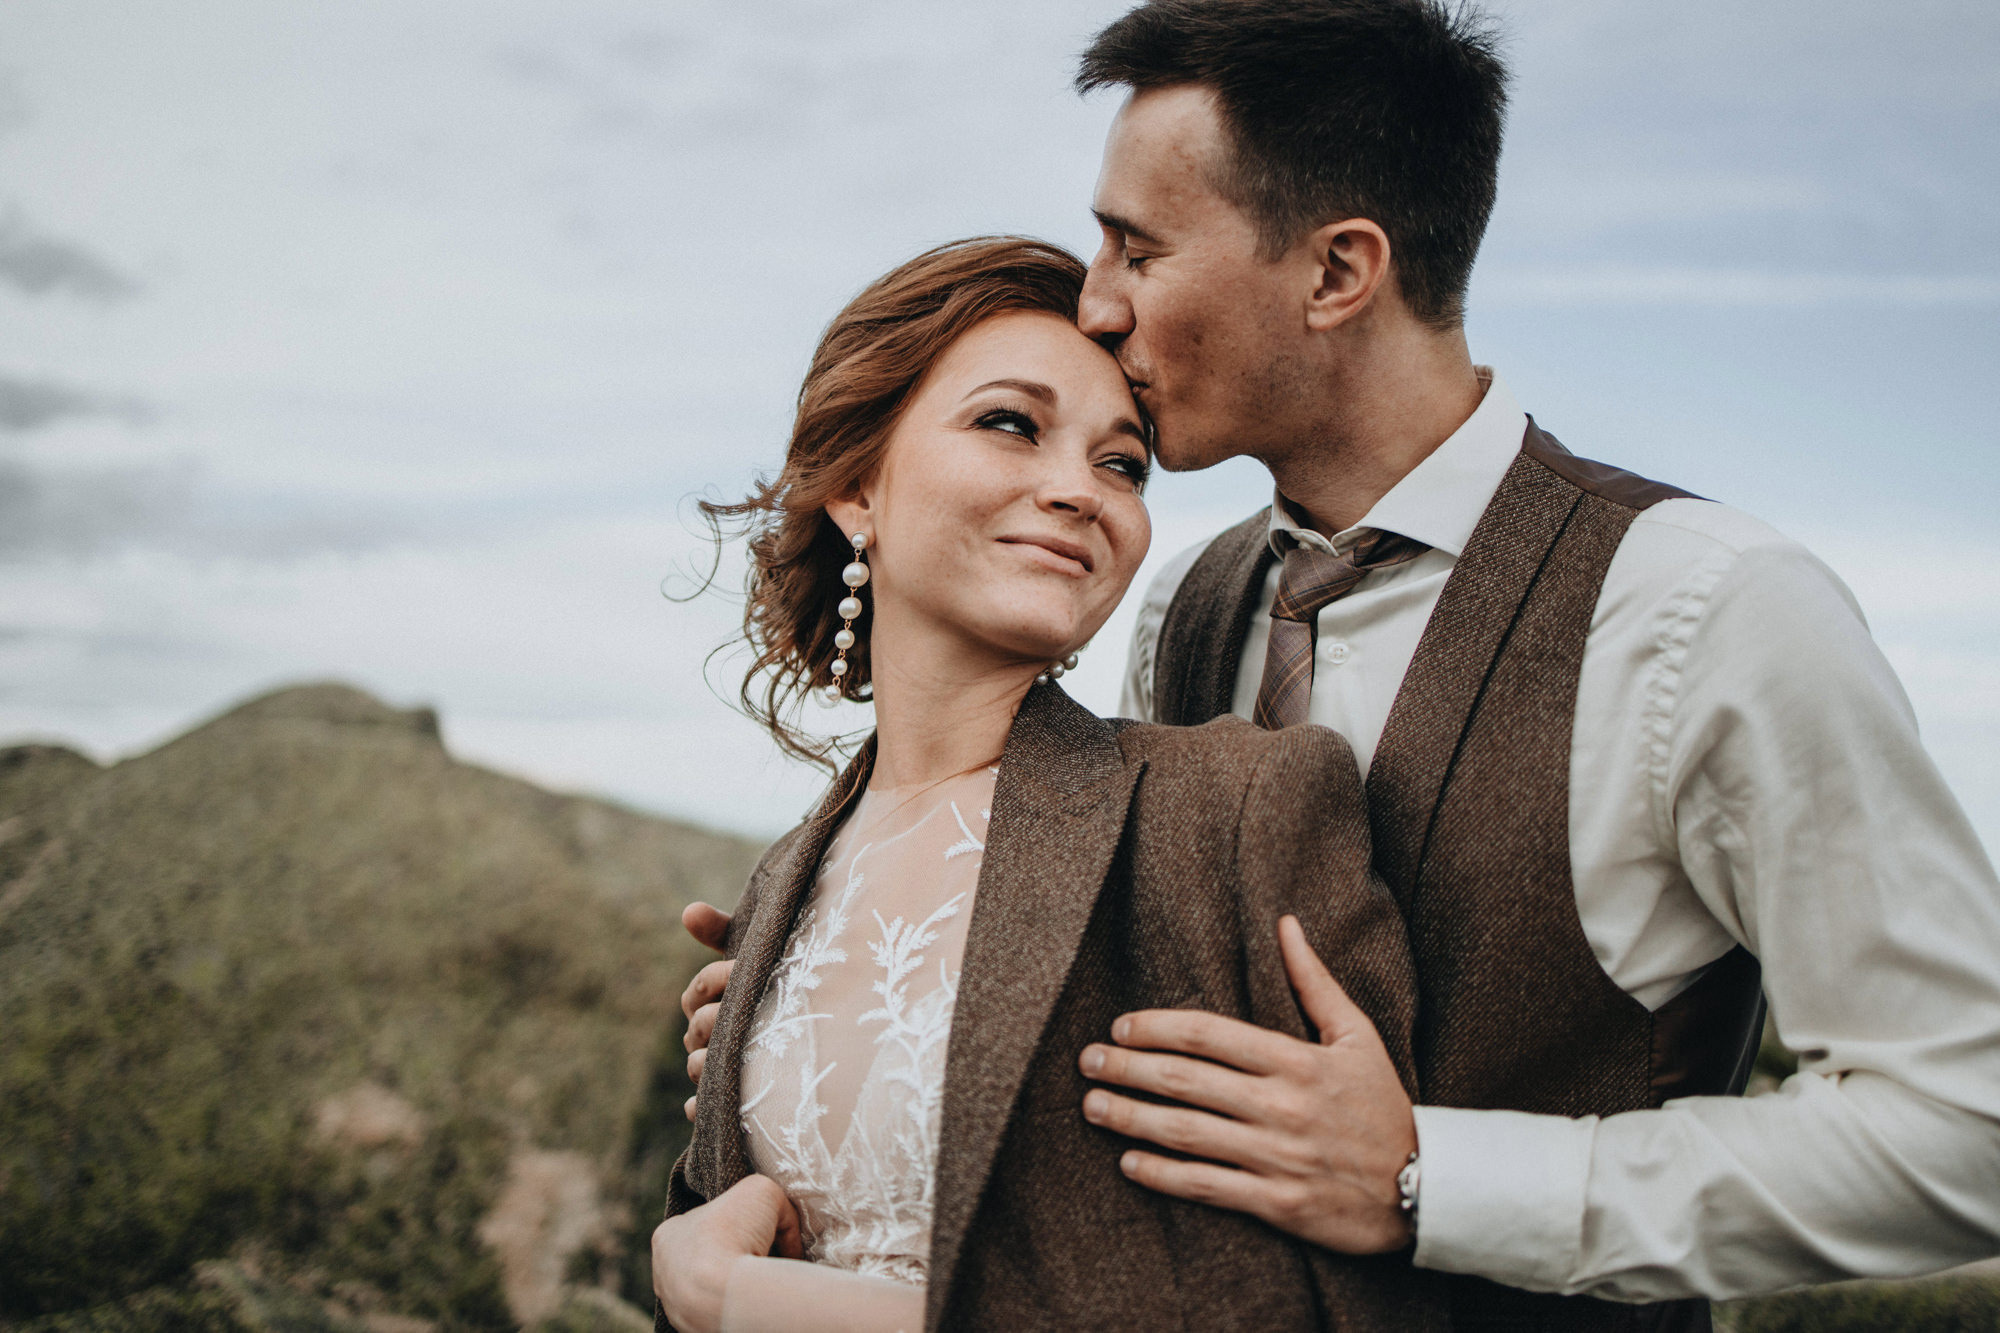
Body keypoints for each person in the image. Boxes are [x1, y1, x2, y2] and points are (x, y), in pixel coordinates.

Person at [1060, 0, 2000, 1328]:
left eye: (1135, 248)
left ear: (1337, 273)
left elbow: (1969, 1124)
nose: (1092, 304)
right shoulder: (1186, 607)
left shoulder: (1711, 610)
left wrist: (1431, 1177)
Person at [650, 236, 1445, 1332]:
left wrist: (736, 1296)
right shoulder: (788, 873)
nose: (1078, 490)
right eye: (1010, 424)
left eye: (1121, 463)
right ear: (855, 488)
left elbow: (1328, 1305)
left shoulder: (1233, 811)